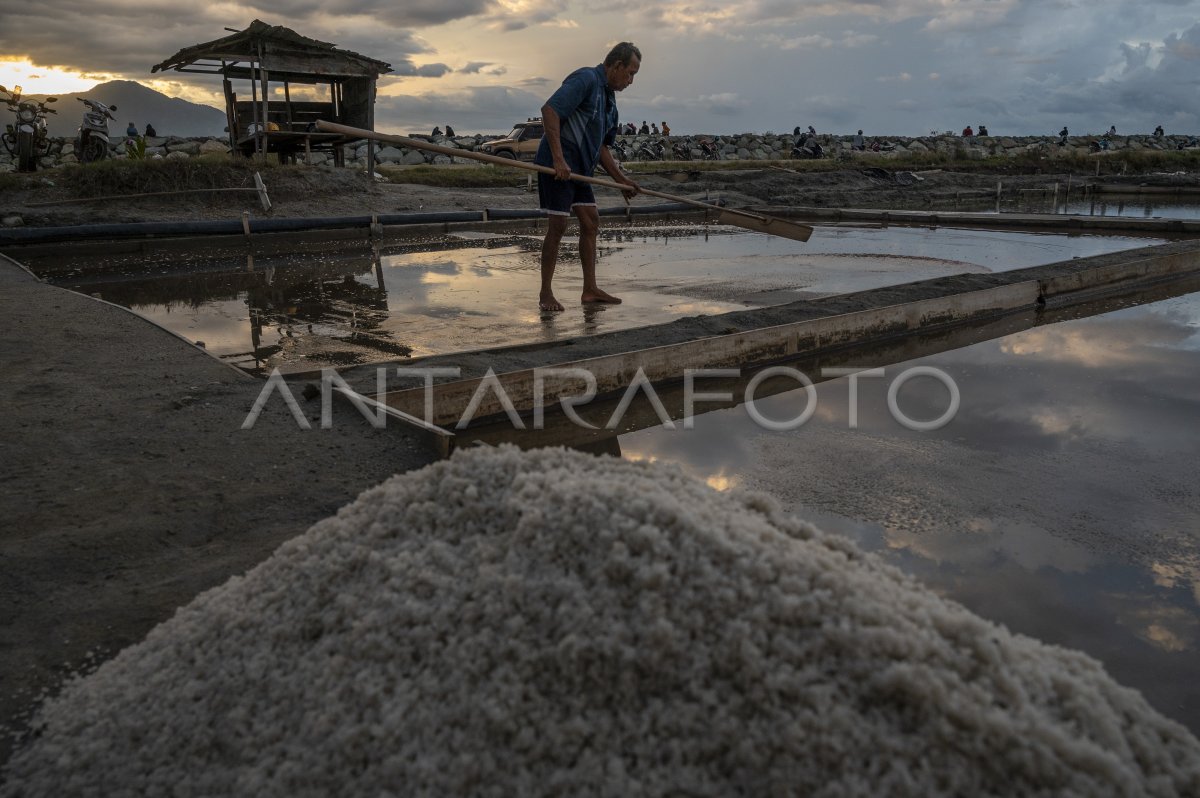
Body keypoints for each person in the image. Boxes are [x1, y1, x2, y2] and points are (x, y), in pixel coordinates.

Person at [535, 41, 641, 312]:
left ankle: (590, 289)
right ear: (616, 66)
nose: (630, 81)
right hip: (558, 167)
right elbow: (550, 110)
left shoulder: (609, 102)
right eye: (630, 73)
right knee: (558, 226)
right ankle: (546, 293)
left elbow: (602, 147)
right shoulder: (586, 79)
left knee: (591, 221)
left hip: (581, 170)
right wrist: (558, 159)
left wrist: (620, 180)